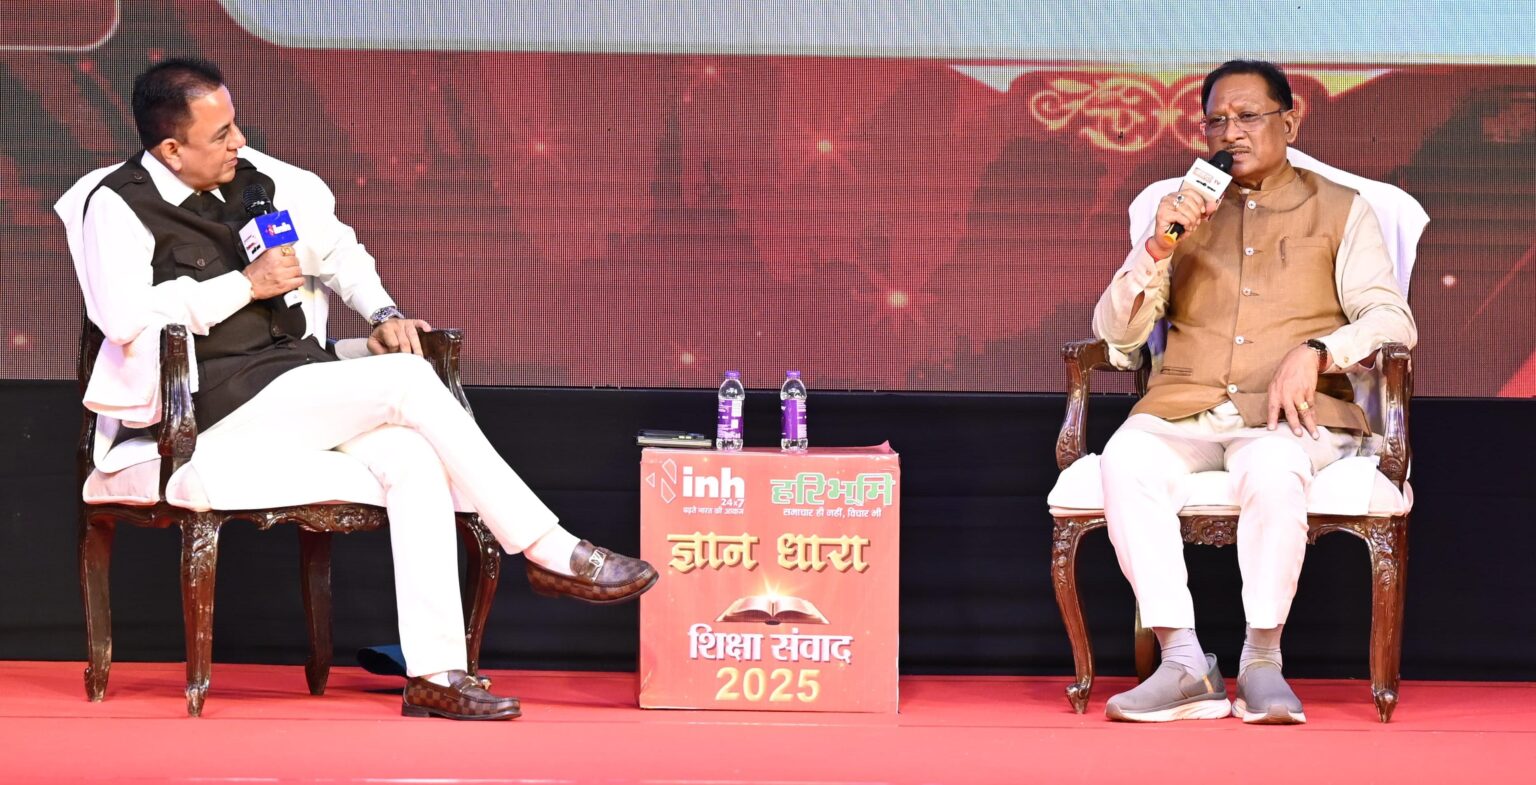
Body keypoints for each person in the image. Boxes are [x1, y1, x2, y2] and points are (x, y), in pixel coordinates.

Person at [56, 57, 657, 721]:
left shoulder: (255, 183)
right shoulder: (116, 205)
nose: (239, 142)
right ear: (171, 149)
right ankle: (548, 549)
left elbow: (338, 253)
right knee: (407, 381)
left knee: (412, 456)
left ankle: (436, 674)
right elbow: (123, 318)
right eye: (221, 134)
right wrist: (243, 285)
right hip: (209, 405)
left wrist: (379, 318)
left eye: (236, 126)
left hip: (290, 380)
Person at [1091, 60, 1416, 724]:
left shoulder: (1342, 208)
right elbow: (1117, 335)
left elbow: (1392, 320)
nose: (1230, 132)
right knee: (1124, 458)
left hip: (1288, 414)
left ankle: (1263, 660)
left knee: (1272, 467)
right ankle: (1184, 663)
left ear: (1289, 122)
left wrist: (1321, 350)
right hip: (1184, 405)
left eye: (1248, 117)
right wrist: (1156, 249)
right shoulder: (1181, 210)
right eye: (1216, 120)